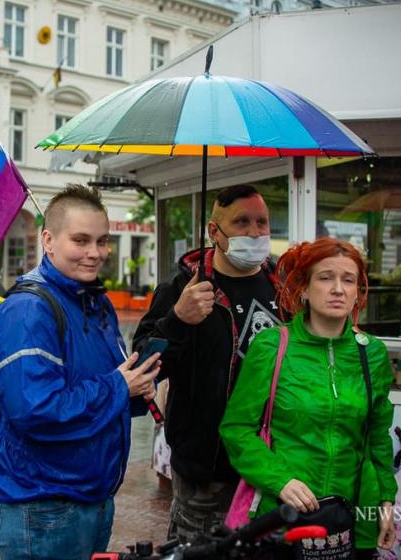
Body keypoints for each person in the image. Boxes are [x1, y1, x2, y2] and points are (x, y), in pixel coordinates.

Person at [0, 184, 161, 560]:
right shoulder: (28, 311)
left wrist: (136, 389)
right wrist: (117, 387)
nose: (95, 253)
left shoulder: (95, 303)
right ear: (48, 240)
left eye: (102, 241)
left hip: (89, 497)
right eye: (81, 240)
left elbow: (106, 387)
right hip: (41, 504)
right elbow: (35, 411)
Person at [220, 238, 397, 558]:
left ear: (358, 292)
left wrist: (386, 501)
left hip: (351, 522)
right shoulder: (272, 346)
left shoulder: (373, 353)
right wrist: (281, 480)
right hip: (282, 519)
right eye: (326, 277)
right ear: (303, 288)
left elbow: (378, 438)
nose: (338, 289)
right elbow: (236, 429)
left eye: (348, 280)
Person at [132, 184, 281, 541]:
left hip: (275, 464)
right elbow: (143, 365)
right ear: (214, 231)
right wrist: (179, 319)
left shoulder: (283, 284)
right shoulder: (185, 286)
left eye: (262, 222)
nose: (255, 232)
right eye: (242, 222)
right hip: (208, 473)